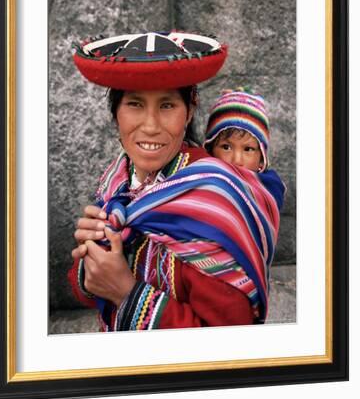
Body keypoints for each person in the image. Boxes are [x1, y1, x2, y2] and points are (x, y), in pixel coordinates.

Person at [68, 32, 285, 331]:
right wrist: (92, 252)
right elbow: (89, 290)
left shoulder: (212, 196)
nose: (151, 126)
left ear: (190, 110)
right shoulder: (118, 180)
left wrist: (127, 294)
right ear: (115, 113)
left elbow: (230, 340)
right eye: (134, 104)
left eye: (167, 105)